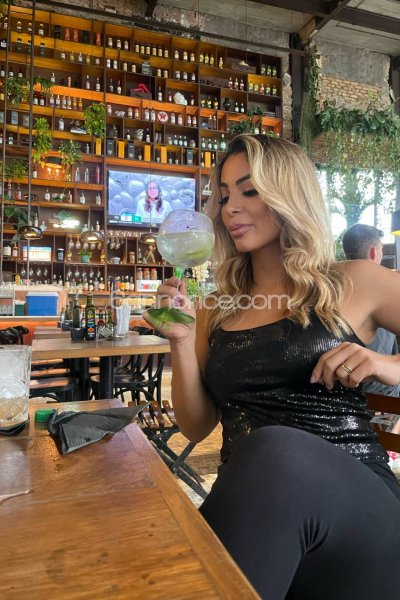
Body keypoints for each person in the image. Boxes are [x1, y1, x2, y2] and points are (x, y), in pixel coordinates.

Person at [145, 134, 400, 600]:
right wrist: (180, 341)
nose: (230, 208)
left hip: (359, 517)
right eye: (224, 195)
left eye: (250, 190)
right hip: (262, 517)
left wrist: (387, 363)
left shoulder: (355, 281)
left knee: (276, 448)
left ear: (289, 194)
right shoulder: (216, 306)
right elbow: (197, 427)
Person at [342, 223, 399, 397]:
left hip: (338, 392)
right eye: (381, 249)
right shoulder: (386, 285)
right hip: (382, 394)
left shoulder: (325, 284)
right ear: (374, 252)